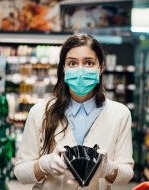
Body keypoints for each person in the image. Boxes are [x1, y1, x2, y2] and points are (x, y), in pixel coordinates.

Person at [14, 33, 134, 190]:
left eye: (89, 63)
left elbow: (126, 174)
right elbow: (21, 173)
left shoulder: (120, 114)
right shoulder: (40, 112)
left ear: (101, 67)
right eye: (72, 63)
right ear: (63, 68)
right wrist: (44, 164)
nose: (80, 70)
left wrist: (108, 168)